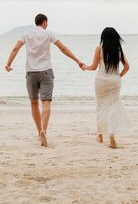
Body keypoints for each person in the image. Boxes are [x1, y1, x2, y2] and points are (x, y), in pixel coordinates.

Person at [5, 13, 83, 147]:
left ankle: (38, 131)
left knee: (34, 103)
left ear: (36, 22)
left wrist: (8, 64)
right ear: (45, 22)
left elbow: (15, 48)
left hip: (31, 73)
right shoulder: (49, 34)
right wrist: (77, 61)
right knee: (46, 102)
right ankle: (43, 130)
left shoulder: (26, 34)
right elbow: (63, 48)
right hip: (46, 71)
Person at [82, 27, 131, 148]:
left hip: (101, 81)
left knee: (101, 107)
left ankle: (100, 135)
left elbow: (93, 67)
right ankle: (112, 135)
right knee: (113, 108)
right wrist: (118, 76)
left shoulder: (99, 48)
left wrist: (84, 67)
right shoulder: (119, 50)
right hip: (115, 81)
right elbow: (127, 67)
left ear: (103, 37)